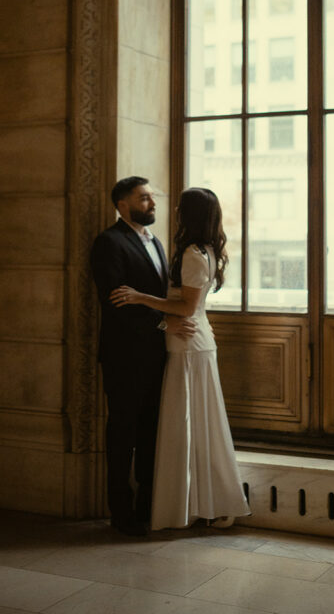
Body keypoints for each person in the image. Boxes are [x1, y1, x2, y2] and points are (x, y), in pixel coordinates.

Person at [111, 186, 251, 530]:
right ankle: (201, 504)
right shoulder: (204, 249)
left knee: (189, 425)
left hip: (188, 345)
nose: (170, 208)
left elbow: (187, 307)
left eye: (178, 207)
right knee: (197, 425)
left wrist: (139, 297)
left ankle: (195, 505)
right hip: (192, 341)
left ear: (187, 215)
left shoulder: (191, 252)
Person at [90, 176, 195, 536]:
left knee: (152, 431)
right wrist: (166, 324)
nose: (153, 203)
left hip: (156, 355)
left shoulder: (156, 241)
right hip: (124, 356)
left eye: (152, 197)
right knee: (123, 434)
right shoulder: (109, 242)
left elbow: (153, 294)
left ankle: (148, 507)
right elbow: (117, 300)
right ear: (123, 204)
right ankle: (120, 513)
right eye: (144, 198)